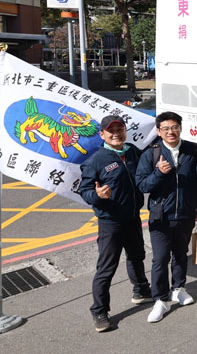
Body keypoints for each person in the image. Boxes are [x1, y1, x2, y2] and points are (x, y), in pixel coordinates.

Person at [79, 115, 151, 333]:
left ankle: (141, 290)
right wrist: (97, 195)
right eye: (111, 131)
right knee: (107, 267)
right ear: (102, 134)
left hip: (132, 216)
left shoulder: (133, 152)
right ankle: (99, 310)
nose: (116, 134)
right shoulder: (96, 160)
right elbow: (85, 190)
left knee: (137, 255)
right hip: (110, 221)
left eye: (120, 129)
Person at [135, 111, 197, 323]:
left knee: (181, 254)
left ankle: (179, 289)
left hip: (186, 213)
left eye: (174, 127)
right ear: (159, 131)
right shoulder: (151, 154)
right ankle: (160, 299)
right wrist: (158, 173)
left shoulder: (193, 150)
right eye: (165, 128)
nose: (170, 132)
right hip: (161, 216)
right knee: (160, 258)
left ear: (180, 128)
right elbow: (142, 185)